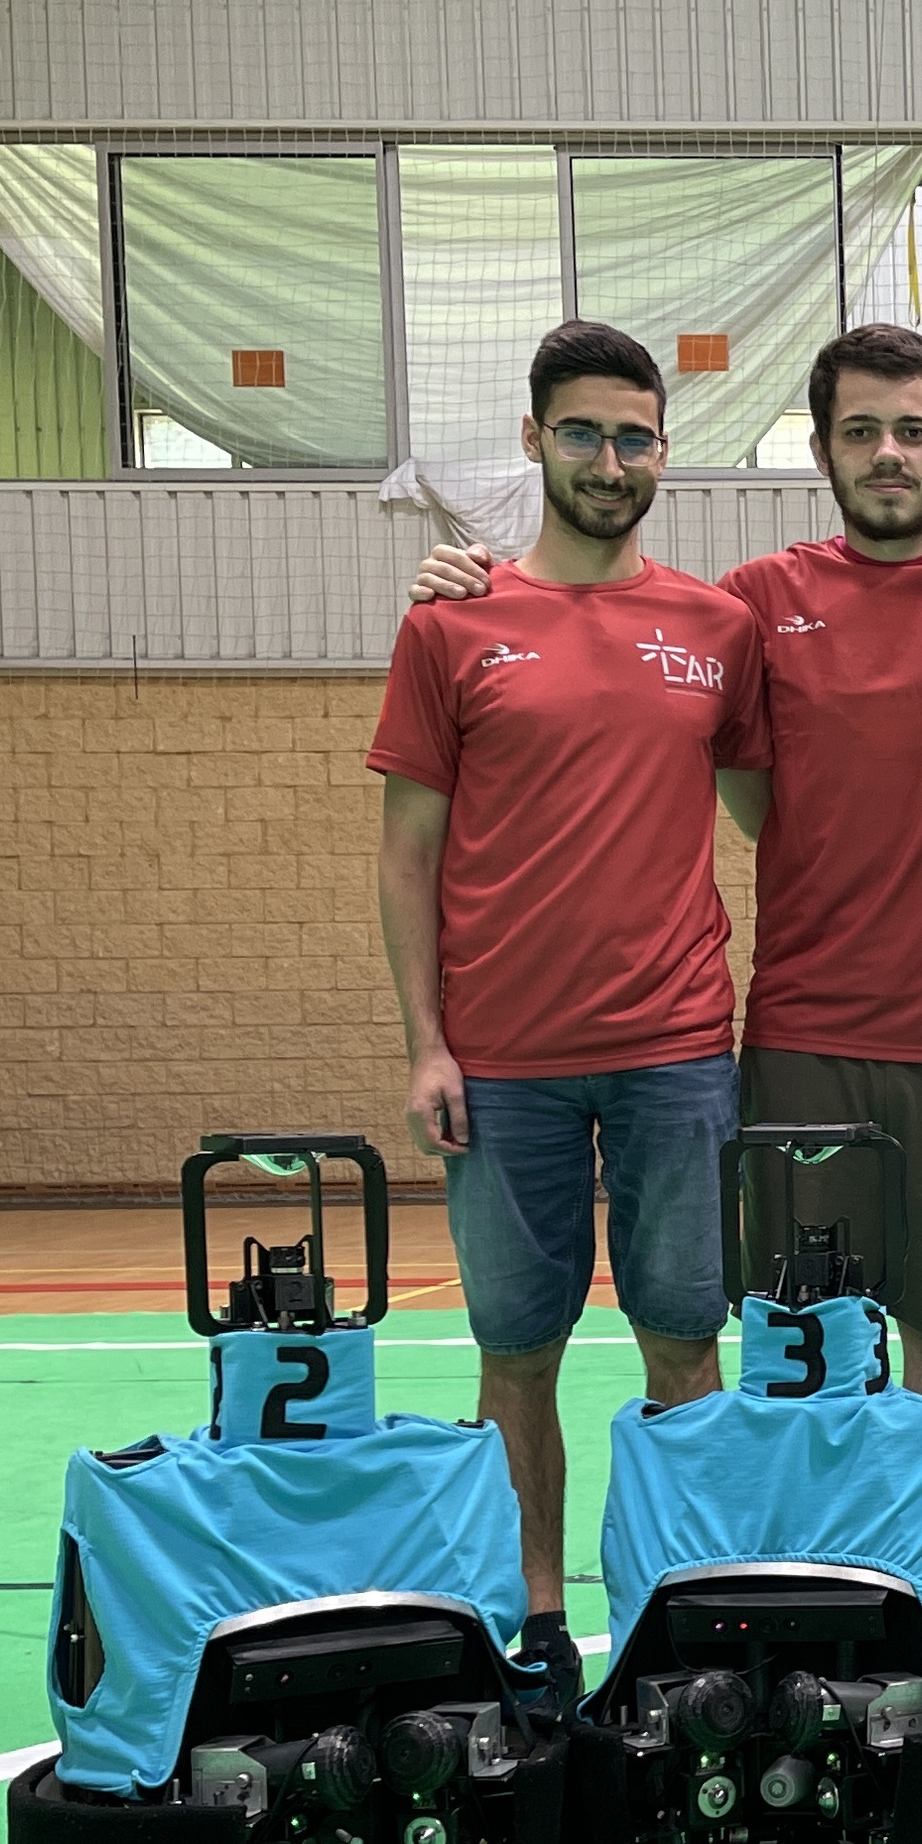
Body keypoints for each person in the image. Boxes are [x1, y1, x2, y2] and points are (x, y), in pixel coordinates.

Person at [408, 323, 922, 1412]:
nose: (889, 453)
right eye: (860, 431)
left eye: (913, 430)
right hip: (805, 1039)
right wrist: (466, 581)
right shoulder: (748, 606)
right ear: (821, 451)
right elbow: (744, 788)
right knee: (809, 1350)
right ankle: (822, 1578)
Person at [370, 320, 764, 1687]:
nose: (611, 459)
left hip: (674, 1056)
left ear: (666, 449)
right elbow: (405, 853)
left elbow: (779, 810)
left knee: (685, 1344)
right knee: (515, 1352)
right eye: (584, 433)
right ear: (536, 443)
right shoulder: (453, 623)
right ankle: (537, 1619)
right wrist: (427, 1043)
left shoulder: (719, 630)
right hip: (504, 1068)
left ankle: (677, 1615)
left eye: (636, 435)